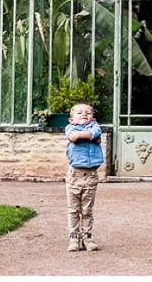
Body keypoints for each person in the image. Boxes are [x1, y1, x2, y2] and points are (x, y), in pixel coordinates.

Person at [64, 102, 103, 252]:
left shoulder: (96, 127)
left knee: (87, 209)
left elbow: (95, 134)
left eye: (88, 112)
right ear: (71, 119)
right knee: (73, 209)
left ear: (93, 118)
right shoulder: (70, 128)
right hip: (74, 175)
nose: (84, 114)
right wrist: (87, 136)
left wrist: (90, 136)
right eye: (79, 113)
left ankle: (87, 237)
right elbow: (73, 137)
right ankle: (74, 237)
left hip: (91, 175)